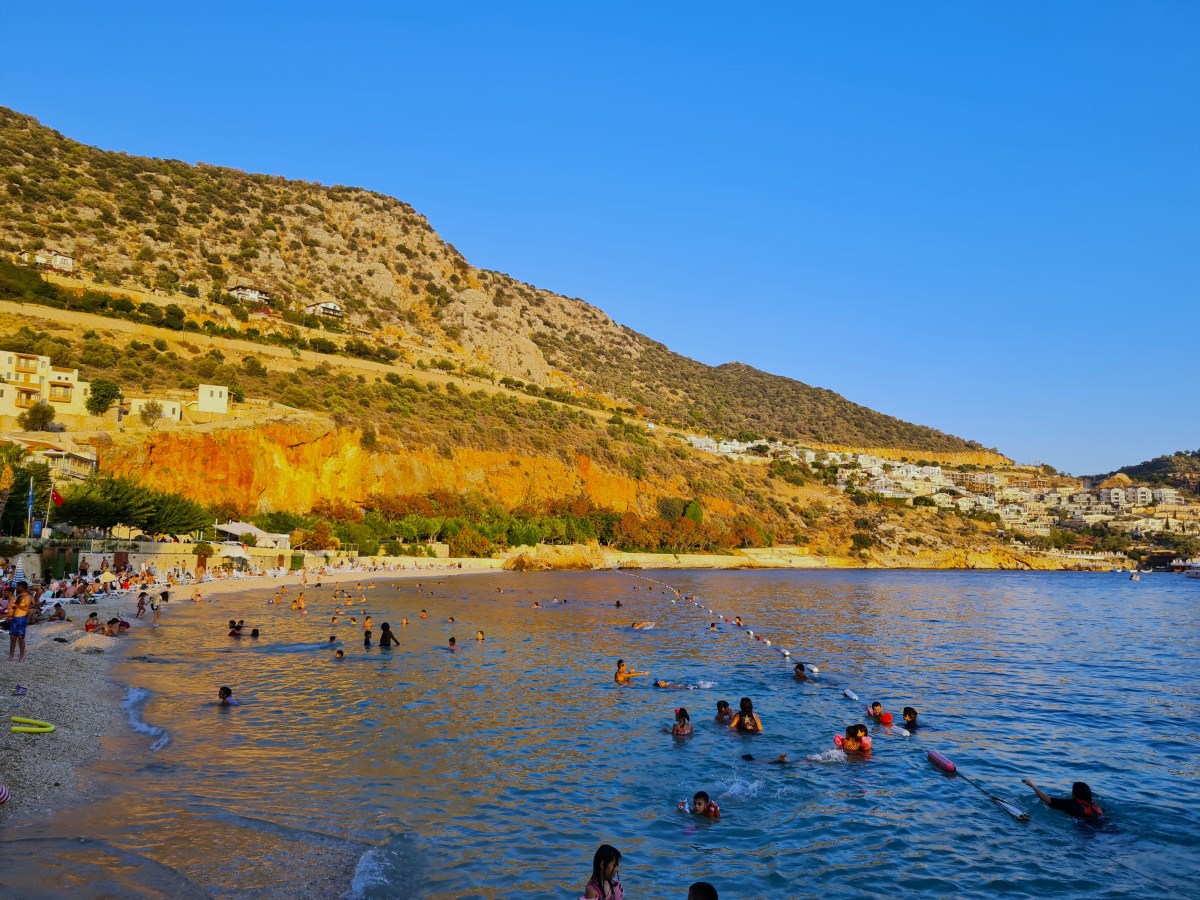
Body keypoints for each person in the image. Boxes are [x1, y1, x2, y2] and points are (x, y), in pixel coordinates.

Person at [1023, 779, 1103, 819]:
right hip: (1103, 824)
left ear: (1074, 794)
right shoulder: (1093, 803)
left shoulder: (1071, 804)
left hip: (1087, 829)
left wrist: (1032, 785)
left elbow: (1045, 798)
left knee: (1049, 804)